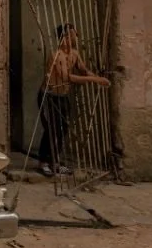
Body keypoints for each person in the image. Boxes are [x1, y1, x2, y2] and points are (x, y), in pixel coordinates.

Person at [36, 23, 111, 177]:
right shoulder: (57, 55)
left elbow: (83, 70)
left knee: (63, 128)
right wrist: (94, 80)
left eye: (75, 35)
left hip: (63, 96)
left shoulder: (74, 54)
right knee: (52, 130)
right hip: (49, 96)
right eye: (71, 35)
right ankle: (43, 163)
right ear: (63, 38)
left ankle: (55, 162)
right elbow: (66, 77)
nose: (75, 38)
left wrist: (98, 77)